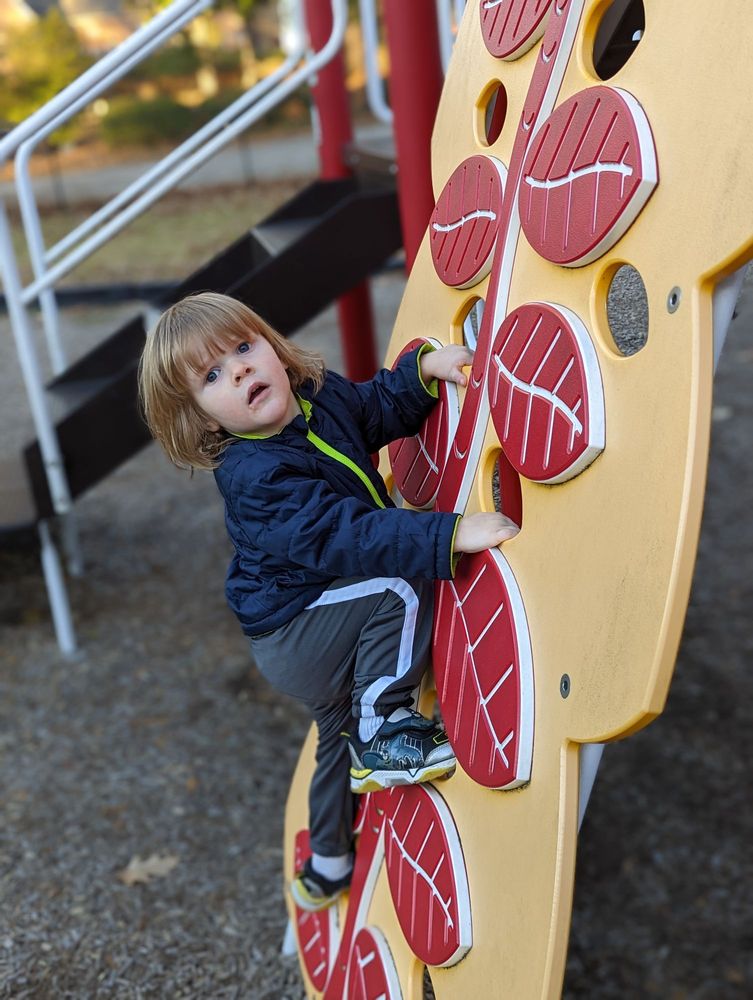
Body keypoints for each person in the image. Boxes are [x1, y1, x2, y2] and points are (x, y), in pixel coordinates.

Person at [138, 291, 518, 912]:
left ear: (271, 347)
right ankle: (386, 729)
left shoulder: (318, 399)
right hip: (296, 632)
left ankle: (328, 864)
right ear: (205, 419)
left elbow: (375, 409)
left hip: (306, 618)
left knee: (332, 736)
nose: (238, 369)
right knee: (401, 577)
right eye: (211, 376)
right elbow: (350, 538)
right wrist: (449, 533)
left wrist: (420, 376)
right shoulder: (255, 478)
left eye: (242, 347)